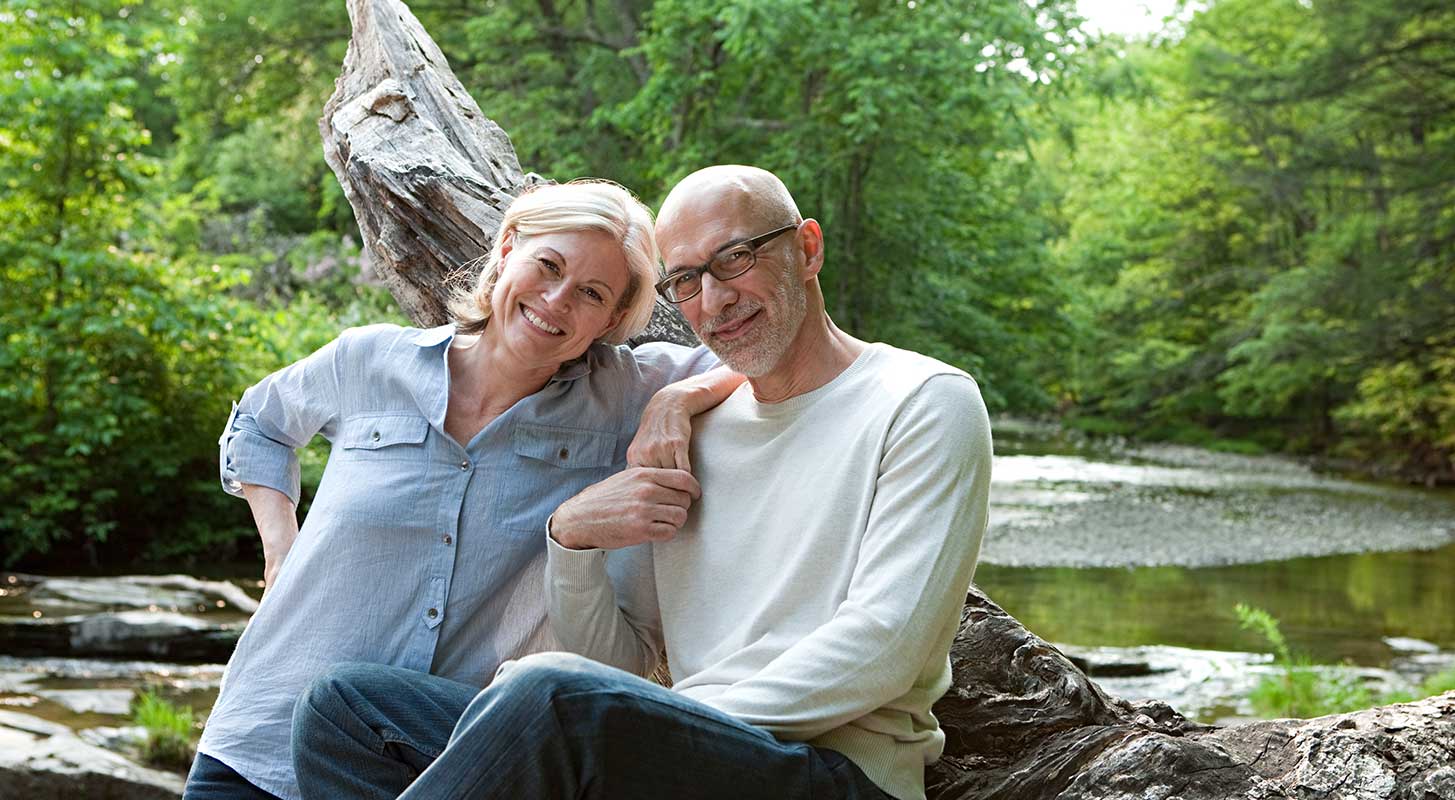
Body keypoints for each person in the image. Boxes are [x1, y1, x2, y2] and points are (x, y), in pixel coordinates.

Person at [290, 164, 993, 800]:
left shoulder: (921, 401)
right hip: (678, 759)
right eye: (686, 280)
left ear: (807, 248)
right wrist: (570, 544)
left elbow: (884, 647)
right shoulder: (694, 432)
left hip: (831, 774)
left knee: (553, 698)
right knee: (346, 708)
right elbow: (624, 661)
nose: (714, 300)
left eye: (736, 258)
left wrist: (639, 710)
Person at [186, 180, 741, 800]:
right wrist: (280, 551)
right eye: (547, 265)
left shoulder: (618, 398)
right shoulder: (369, 361)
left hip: (427, 761)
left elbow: (759, 355)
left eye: (591, 293)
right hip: (261, 735)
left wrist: (676, 398)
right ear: (508, 247)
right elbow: (258, 424)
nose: (556, 301)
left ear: (611, 320)